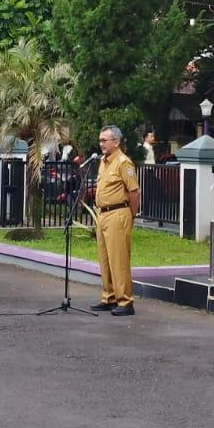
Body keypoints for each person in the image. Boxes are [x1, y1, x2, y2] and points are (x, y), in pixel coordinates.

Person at [90, 125, 139, 317]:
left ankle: (125, 301)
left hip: (118, 213)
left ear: (116, 142)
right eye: (100, 140)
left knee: (119, 260)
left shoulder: (123, 163)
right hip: (102, 214)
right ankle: (109, 297)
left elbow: (134, 192)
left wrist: (131, 216)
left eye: (105, 140)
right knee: (105, 259)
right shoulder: (104, 162)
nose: (101, 143)